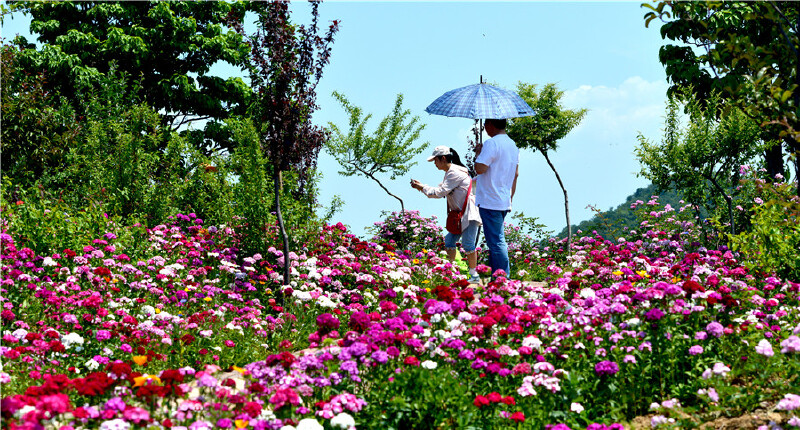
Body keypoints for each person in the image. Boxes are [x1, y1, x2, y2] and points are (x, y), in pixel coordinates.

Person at [411, 145, 482, 283]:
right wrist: (422, 187)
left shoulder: (454, 173)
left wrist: (421, 187)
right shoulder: (451, 172)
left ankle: (474, 276)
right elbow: (442, 190)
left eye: (435, 161)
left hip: (468, 213)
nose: (435, 164)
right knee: (449, 241)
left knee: (468, 244)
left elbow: (440, 192)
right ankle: (451, 272)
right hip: (460, 215)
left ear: (443, 158)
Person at [473, 118, 519, 278]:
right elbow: (516, 174)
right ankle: (496, 276)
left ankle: (502, 278)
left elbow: (480, 168)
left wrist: (478, 154)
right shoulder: (512, 145)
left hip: (490, 198)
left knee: (496, 241)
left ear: (490, 125)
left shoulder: (492, 144)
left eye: (486, 125)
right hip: (503, 198)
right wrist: (510, 196)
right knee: (496, 240)